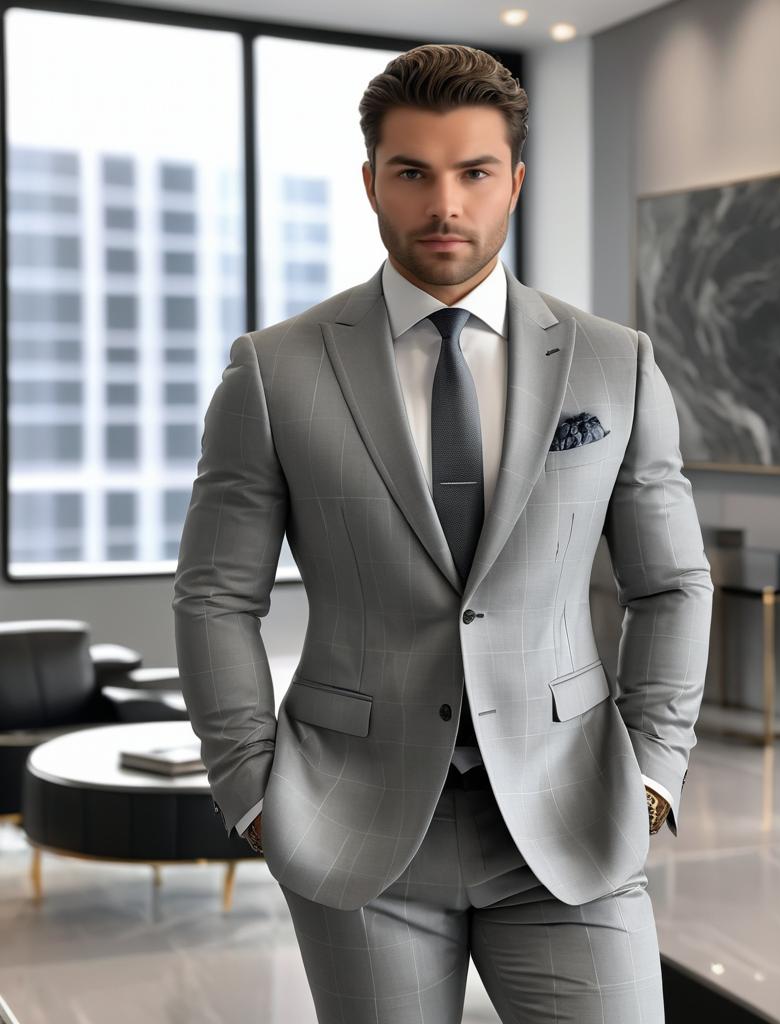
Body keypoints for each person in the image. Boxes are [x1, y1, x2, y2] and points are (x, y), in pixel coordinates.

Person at [172, 41, 713, 1024]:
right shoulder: (275, 370)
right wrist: (251, 791)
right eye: (412, 172)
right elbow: (215, 593)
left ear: (514, 180)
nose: (444, 205)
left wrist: (653, 775)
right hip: (356, 821)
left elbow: (672, 583)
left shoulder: (613, 364)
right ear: (369, 180)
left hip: (571, 814)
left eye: (472, 173)